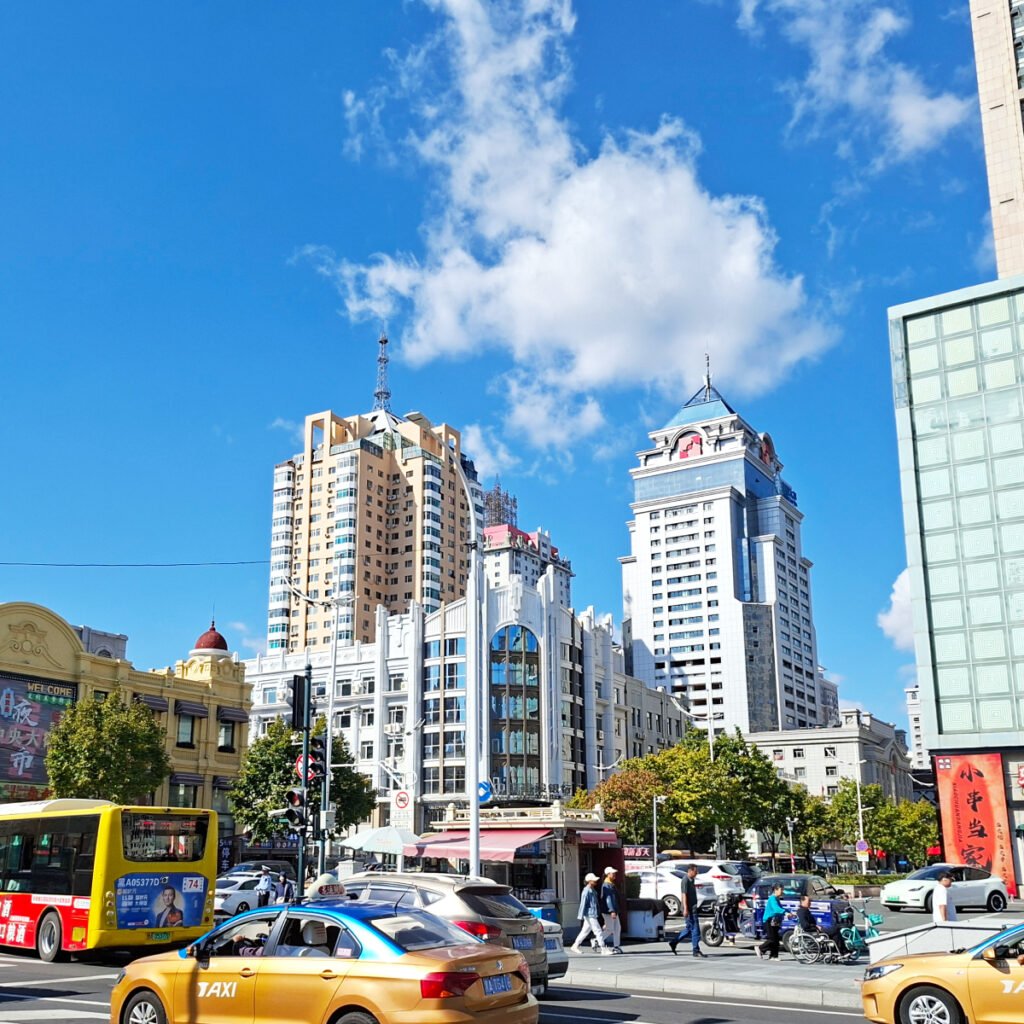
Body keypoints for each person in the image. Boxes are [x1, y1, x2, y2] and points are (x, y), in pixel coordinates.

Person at [668, 864, 706, 957]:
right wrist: (685, 909)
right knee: (695, 929)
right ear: (690, 871)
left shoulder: (692, 879)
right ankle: (695, 950)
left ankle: (674, 942)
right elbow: (684, 894)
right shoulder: (685, 880)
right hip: (689, 909)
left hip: (693, 908)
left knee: (689, 929)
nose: (697, 873)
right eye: (695, 871)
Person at [570, 873, 611, 955]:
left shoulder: (592, 890)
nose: (596, 881)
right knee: (598, 931)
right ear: (589, 881)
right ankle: (603, 948)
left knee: (585, 931)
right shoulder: (587, 891)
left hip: (591, 914)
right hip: (590, 914)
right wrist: (580, 915)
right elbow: (583, 904)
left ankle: (575, 945)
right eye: (594, 880)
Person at [757, 883, 785, 960]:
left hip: (775, 921)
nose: (782, 891)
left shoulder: (777, 899)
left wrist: (789, 912)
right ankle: (760, 948)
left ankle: (773, 956)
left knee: (776, 939)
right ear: (775, 890)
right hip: (769, 920)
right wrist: (785, 912)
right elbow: (776, 909)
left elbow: (781, 908)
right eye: (781, 889)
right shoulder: (772, 898)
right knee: (772, 939)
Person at [600, 867, 622, 954]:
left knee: (617, 928)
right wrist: (612, 910)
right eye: (613, 873)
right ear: (608, 874)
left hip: (613, 910)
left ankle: (616, 946)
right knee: (610, 929)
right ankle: (597, 940)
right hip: (609, 911)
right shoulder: (607, 885)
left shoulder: (610, 884)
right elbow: (608, 899)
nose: (614, 874)